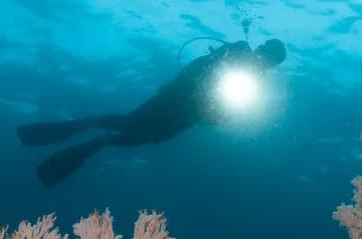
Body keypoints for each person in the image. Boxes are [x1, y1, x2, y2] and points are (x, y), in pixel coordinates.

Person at [17, 38, 287, 187]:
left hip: (184, 119)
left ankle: (93, 142)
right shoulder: (236, 49)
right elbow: (198, 66)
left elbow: (224, 114)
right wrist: (223, 62)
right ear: (262, 47)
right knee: (129, 124)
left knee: (134, 138)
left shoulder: (256, 83)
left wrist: (218, 113)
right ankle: (89, 126)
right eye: (267, 52)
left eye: (271, 60)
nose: (265, 59)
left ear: (273, 65)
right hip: (172, 99)